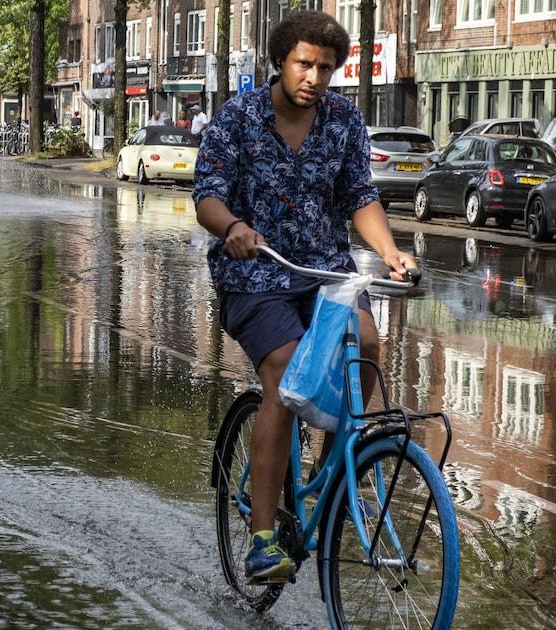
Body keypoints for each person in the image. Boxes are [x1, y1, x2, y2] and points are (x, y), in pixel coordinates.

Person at [192, 10, 416, 582]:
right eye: (304, 64)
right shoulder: (238, 118)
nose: (314, 77)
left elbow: (359, 197)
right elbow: (207, 195)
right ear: (280, 61)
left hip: (324, 273)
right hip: (256, 274)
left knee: (366, 342)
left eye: (325, 67)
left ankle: (334, 469)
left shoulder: (343, 121)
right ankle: (263, 538)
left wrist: (390, 252)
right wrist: (232, 227)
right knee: (288, 378)